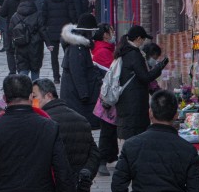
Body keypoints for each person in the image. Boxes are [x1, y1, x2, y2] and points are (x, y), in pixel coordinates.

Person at [115, 26, 168, 140]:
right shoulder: (134, 54)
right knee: (136, 136)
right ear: (138, 38)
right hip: (134, 102)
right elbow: (145, 77)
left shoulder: (125, 52)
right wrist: (160, 66)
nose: (143, 42)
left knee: (131, 136)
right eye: (143, 39)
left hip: (128, 101)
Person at [60, 13, 101, 128]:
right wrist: (84, 94)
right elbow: (78, 72)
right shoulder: (77, 48)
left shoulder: (79, 45)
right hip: (76, 94)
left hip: (75, 91)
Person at [92, 23, 117, 176]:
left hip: (107, 97)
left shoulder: (107, 49)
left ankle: (111, 156)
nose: (113, 34)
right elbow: (111, 73)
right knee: (107, 129)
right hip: (107, 98)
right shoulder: (102, 51)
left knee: (110, 129)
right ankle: (101, 160)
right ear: (105, 35)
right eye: (111, 32)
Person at [9, 0, 52, 81]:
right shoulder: (37, 15)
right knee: (35, 68)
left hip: (20, 45)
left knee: (22, 67)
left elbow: (11, 31)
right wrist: (48, 44)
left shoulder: (15, 16)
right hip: (35, 44)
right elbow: (42, 30)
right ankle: (35, 89)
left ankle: (22, 88)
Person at [42, 0, 77, 84]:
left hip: (52, 30)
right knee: (68, 53)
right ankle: (68, 73)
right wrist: (74, 25)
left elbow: (44, 14)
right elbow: (72, 13)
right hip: (65, 29)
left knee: (54, 56)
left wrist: (45, 26)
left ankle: (56, 77)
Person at [0, 0, 24, 75]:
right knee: (22, 51)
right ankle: (22, 71)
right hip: (24, 28)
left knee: (10, 51)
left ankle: (12, 71)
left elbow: (2, 13)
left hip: (11, 27)